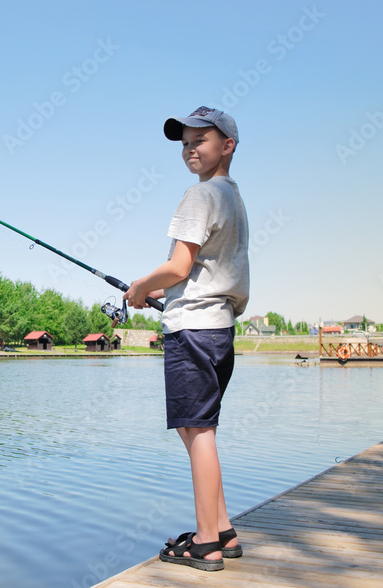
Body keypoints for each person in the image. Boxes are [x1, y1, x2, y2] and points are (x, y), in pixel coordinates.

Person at [123, 106, 249, 572]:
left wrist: (139, 287)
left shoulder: (199, 196)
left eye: (200, 140)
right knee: (197, 429)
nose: (190, 148)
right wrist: (161, 292)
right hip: (217, 327)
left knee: (198, 432)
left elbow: (179, 265)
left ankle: (206, 543)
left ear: (227, 145)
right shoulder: (232, 197)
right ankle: (223, 530)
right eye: (184, 143)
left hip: (193, 330)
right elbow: (200, 272)